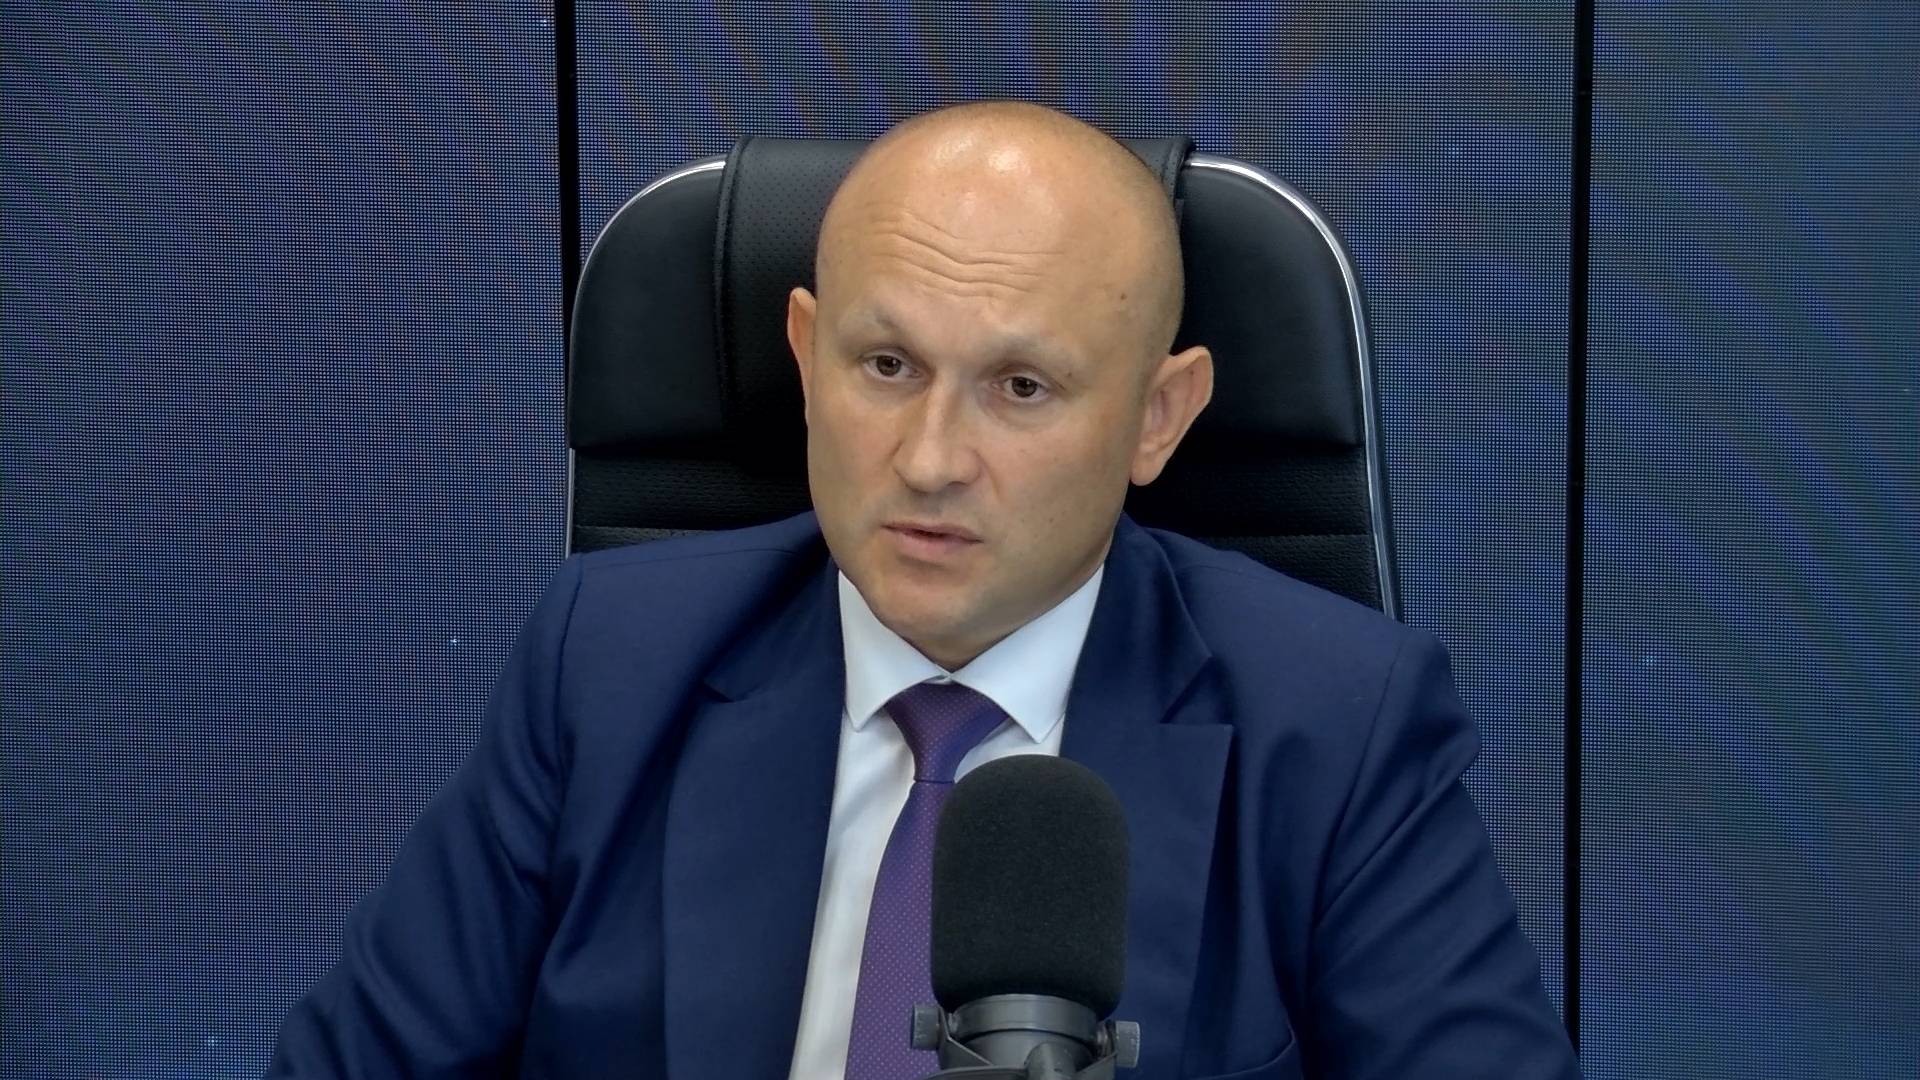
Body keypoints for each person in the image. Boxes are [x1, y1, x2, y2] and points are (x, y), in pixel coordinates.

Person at [271, 102, 1579, 1079]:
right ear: (804, 356)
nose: (932, 459)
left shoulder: (1338, 728)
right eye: (886, 366)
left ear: (1158, 417)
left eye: (1022, 387)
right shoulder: (609, 663)